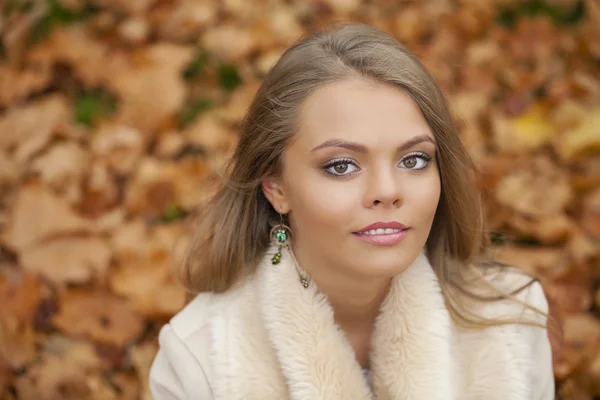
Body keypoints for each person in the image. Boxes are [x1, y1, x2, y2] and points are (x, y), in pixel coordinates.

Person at [149, 23, 555, 399]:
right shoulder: (201, 358)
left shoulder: (511, 322)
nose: (387, 191)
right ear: (276, 189)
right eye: (341, 165)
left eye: (413, 160)